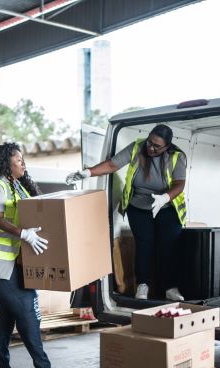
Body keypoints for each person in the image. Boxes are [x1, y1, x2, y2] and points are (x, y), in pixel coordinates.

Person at [66, 124, 187, 301]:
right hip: (138, 207)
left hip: (166, 207)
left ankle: (170, 288)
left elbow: (179, 184)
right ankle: (142, 285)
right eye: (150, 142)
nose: (151, 148)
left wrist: (164, 198)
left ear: (167, 146)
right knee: (144, 246)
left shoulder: (177, 157)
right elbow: (111, 164)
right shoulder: (138, 147)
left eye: (156, 146)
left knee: (168, 247)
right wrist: (88, 172)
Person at [0, 142, 61, 368]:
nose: (23, 163)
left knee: (6, 314)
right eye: (19, 159)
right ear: (7, 163)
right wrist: (24, 233)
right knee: (27, 309)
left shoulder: (18, 187)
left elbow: (34, 210)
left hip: (14, 262)